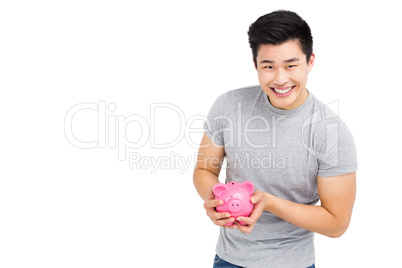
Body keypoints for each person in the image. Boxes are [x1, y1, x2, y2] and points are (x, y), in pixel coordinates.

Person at [193, 10, 358, 268]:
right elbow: (204, 169)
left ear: (310, 61)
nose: (280, 79)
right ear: (255, 64)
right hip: (227, 259)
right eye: (268, 66)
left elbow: (337, 223)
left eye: (291, 65)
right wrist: (216, 200)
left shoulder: (332, 133)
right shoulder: (228, 106)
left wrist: (268, 202)